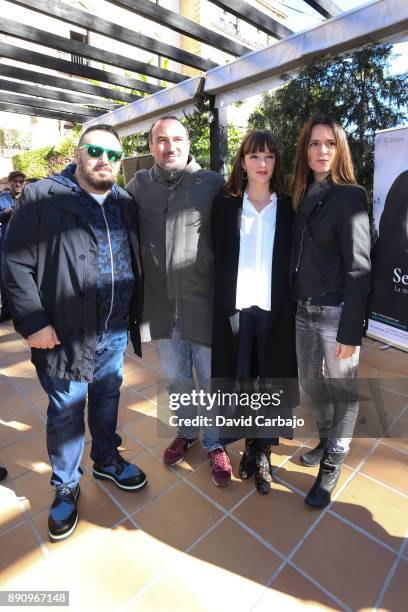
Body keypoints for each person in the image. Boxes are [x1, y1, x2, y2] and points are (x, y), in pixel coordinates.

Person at [2, 125, 147, 541]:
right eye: (96, 150)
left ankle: (106, 458)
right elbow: (14, 264)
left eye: (113, 155)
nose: (105, 160)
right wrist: (32, 323)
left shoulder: (123, 202)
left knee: (106, 398)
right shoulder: (43, 197)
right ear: (78, 153)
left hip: (114, 331)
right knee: (66, 412)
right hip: (63, 334)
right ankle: (65, 485)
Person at [126, 116, 232, 487]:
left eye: (176, 139)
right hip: (159, 307)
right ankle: (187, 432)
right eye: (160, 140)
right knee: (176, 381)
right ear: (151, 145)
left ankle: (215, 441)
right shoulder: (137, 186)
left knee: (211, 380)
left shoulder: (213, 184)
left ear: (189, 143)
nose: (169, 147)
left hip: (204, 304)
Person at [211, 129, 298, 495]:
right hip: (237, 311)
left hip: (275, 311)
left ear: (276, 162)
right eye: (254, 157)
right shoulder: (227, 203)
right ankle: (249, 446)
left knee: (270, 383)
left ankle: (262, 451)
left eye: (269, 157)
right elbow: (217, 254)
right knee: (242, 381)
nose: (262, 164)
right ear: (242, 162)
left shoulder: (289, 205)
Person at [291, 115, 371, 509]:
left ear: (339, 150)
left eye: (329, 143)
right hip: (302, 312)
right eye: (314, 144)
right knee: (311, 386)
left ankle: (333, 463)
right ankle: (324, 441)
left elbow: (359, 267)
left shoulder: (350, 195)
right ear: (304, 151)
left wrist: (351, 331)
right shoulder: (301, 195)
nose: (321, 150)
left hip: (336, 314)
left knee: (343, 391)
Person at [0, 170, 26, 321]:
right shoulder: (2, 198)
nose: (18, 184)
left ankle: (21, 312)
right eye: (15, 181)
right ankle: (6, 311)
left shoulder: (28, 198)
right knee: (4, 278)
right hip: (5, 242)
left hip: (24, 244)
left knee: (22, 278)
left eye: (21, 182)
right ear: (10, 182)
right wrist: (5, 212)